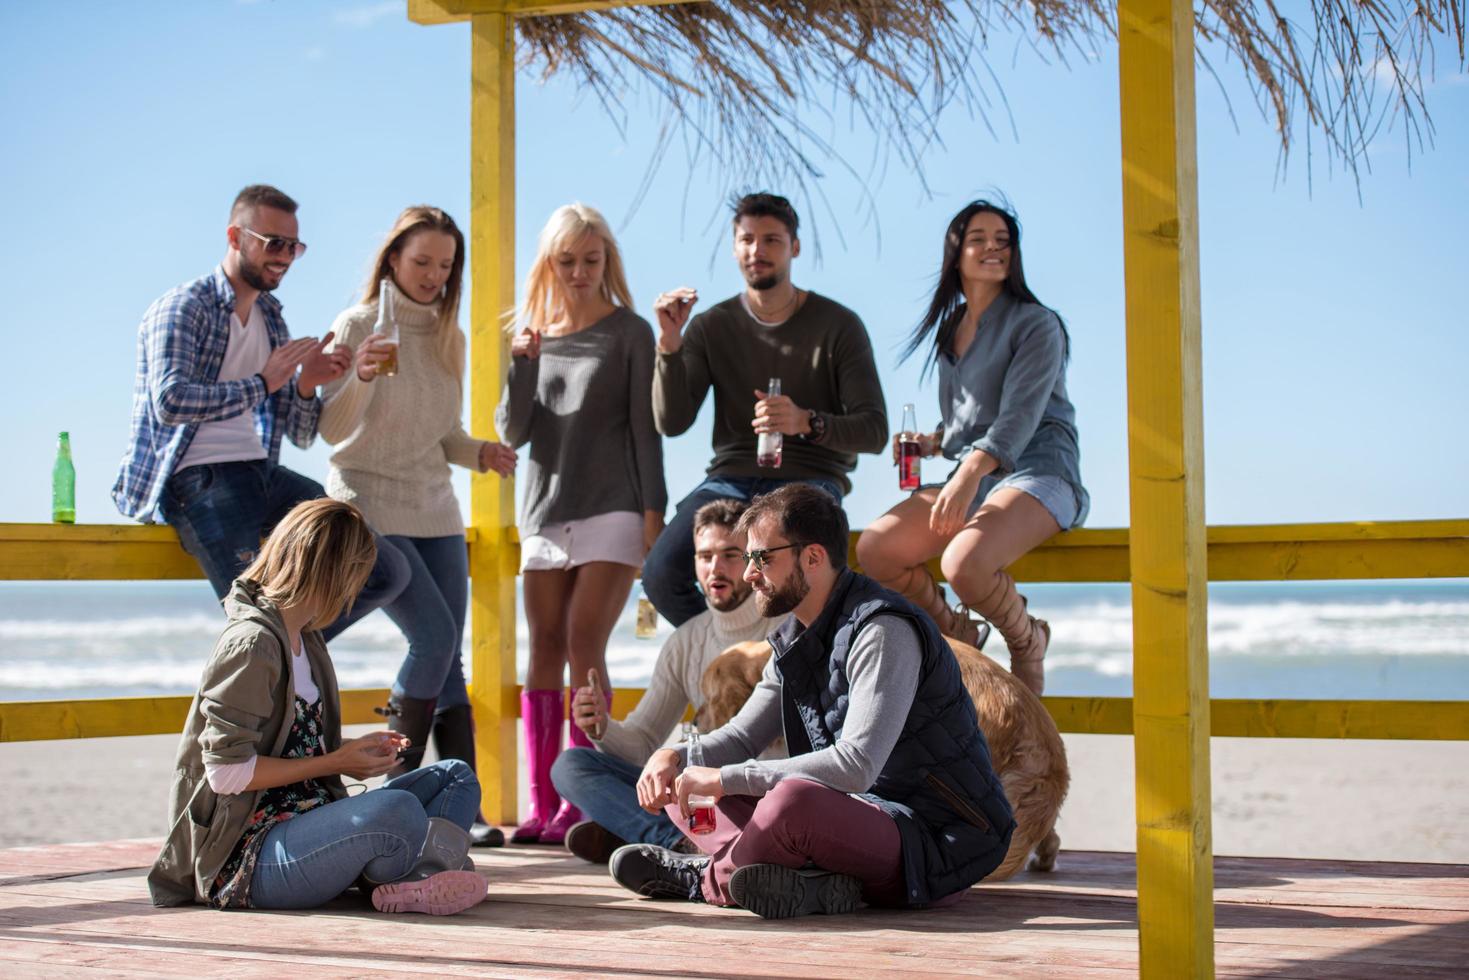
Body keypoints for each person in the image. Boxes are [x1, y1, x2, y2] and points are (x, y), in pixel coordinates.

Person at [608, 484, 1015, 919]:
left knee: (792, 802)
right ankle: (814, 884)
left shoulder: (882, 631)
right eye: (748, 559)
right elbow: (743, 736)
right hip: (854, 821)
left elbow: (855, 766)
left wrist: (725, 779)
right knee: (682, 785)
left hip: (934, 840)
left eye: (762, 558)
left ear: (813, 558)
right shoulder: (792, 639)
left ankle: (706, 879)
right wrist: (675, 756)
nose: (749, 574)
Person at [148, 498, 488, 916]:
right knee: (396, 810)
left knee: (454, 776)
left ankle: (414, 877)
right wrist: (335, 762)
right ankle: (423, 871)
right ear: (330, 572)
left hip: (309, 818)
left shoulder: (305, 638)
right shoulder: (252, 643)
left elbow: (289, 744)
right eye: (354, 576)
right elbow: (226, 773)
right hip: (249, 857)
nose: (356, 590)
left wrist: (351, 751)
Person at [112, 184, 410, 640]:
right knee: (256, 618)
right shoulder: (183, 307)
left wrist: (307, 385)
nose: (286, 256)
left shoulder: (271, 319)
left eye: (294, 246)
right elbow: (169, 402)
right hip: (200, 480)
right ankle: (267, 658)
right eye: (274, 243)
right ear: (235, 237)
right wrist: (262, 384)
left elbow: (301, 432)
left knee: (383, 568)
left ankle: (280, 651)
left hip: (262, 474)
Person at [317, 206, 517, 846]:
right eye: (421, 261)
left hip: (435, 507)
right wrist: (363, 374)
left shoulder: (449, 337)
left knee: (448, 655)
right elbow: (331, 429)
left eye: (445, 265)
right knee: (432, 640)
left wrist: (478, 452)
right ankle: (400, 797)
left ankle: (465, 808)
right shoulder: (354, 325)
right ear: (393, 260)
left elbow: (442, 434)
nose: (433, 275)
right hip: (369, 501)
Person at [855, 200, 1088, 697]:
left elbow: (1018, 418)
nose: (992, 248)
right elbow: (969, 424)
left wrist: (964, 476)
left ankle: (1028, 642)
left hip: (1042, 471)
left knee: (962, 563)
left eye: (1002, 240)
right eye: (978, 238)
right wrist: (934, 443)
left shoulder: (1037, 323)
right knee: (877, 549)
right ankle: (960, 632)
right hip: (979, 475)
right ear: (956, 252)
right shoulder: (950, 329)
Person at [495, 203, 668, 845]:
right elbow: (511, 430)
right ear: (549, 263)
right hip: (543, 511)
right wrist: (519, 364)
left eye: (590, 260)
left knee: (582, 640)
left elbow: (644, 429)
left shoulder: (630, 332)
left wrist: (654, 512)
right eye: (566, 261)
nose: (578, 272)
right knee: (541, 646)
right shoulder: (529, 334)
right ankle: (542, 807)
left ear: (607, 262)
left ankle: (581, 796)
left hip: (615, 507)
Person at [643, 192, 888, 628]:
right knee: (660, 575)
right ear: (735, 247)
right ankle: (731, 658)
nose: (758, 251)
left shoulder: (839, 325)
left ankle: (788, 669)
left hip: (810, 480)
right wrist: (668, 346)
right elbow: (672, 421)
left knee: (801, 583)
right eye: (747, 240)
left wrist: (807, 422)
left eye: (772, 240)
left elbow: (874, 431)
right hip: (730, 479)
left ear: (794, 247)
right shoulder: (710, 325)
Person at [551, 499, 771, 864]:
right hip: (695, 789)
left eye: (731, 554)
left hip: (752, 787)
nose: (715, 567)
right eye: (704, 556)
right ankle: (679, 842)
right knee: (571, 765)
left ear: (753, 559)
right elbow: (644, 743)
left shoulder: (782, 627)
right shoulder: (686, 639)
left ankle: (636, 831)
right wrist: (603, 727)